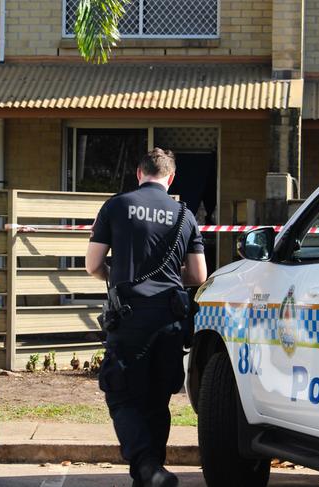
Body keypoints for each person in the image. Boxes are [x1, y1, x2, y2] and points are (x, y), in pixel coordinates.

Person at [86, 148, 207, 487]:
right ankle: (152, 471)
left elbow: (93, 265)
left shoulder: (117, 205)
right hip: (170, 317)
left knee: (121, 392)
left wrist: (117, 274)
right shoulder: (185, 215)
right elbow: (198, 274)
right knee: (157, 398)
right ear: (170, 178)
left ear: (139, 174)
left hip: (128, 317)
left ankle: (146, 465)